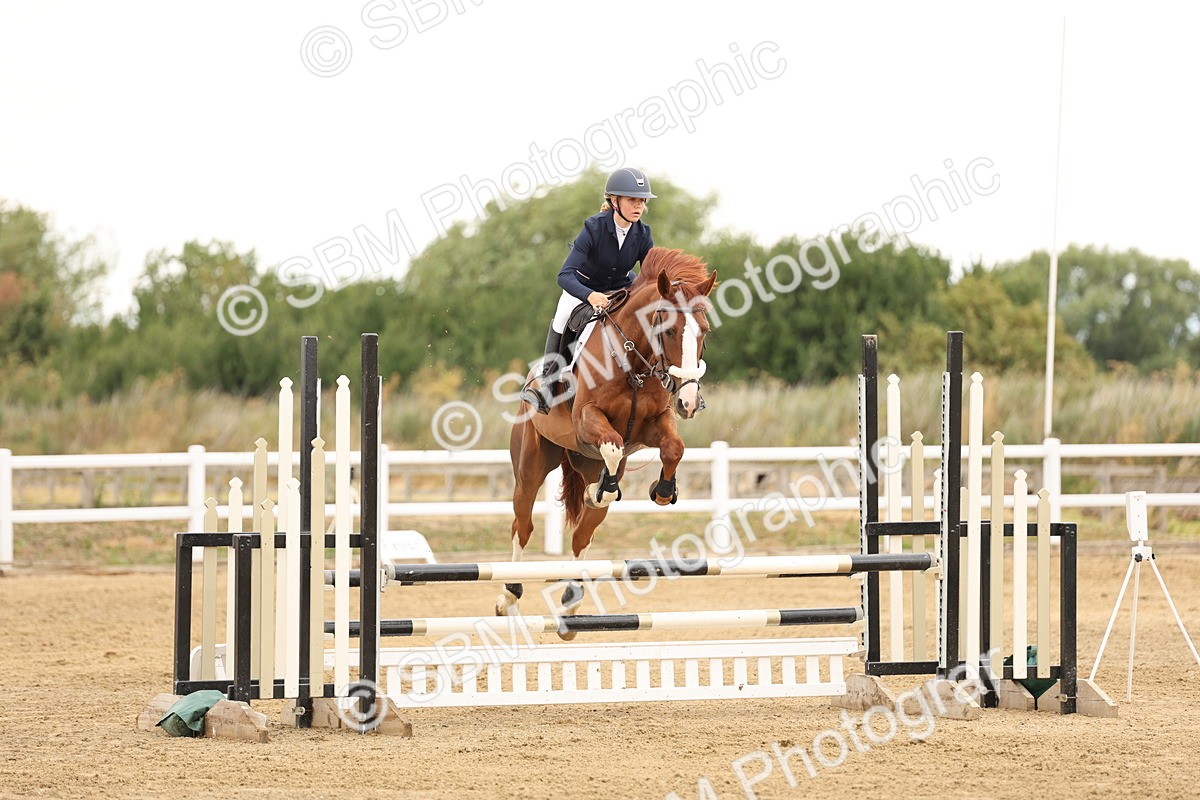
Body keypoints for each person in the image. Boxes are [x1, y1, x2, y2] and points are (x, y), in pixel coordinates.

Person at [520, 168, 656, 414]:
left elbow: (648, 274)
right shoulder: (594, 228)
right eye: (632, 200)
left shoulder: (643, 233)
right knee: (562, 317)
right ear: (614, 201)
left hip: (619, 288)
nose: (639, 206)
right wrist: (590, 296)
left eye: (642, 201)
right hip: (582, 287)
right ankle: (546, 385)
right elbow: (564, 275)